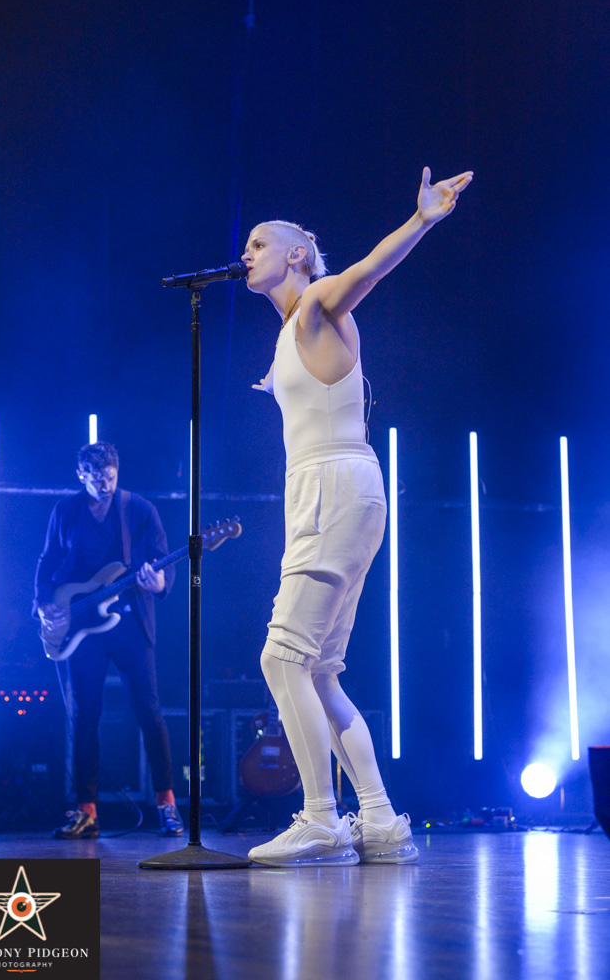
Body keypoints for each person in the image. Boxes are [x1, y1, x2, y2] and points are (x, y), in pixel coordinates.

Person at [242, 166, 473, 866]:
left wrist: (422, 219)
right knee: (317, 672)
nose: (245, 252)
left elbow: (370, 269)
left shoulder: (315, 301)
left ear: (295, 255)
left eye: (258, 243)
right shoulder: (291, 329)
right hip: (339, 488)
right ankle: (377, 819)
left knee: (281, 659)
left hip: (333, 486)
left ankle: (319, 817)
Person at [34, 441, 183, 839]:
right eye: (96, 478)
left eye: (111, 477)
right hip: (81, 626)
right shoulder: (65, 510)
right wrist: (44, 604)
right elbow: (48, 561)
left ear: (117, 472)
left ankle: (167, 805)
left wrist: (160, 582)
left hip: (131, 624)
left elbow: (162, 559)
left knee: (149, 712)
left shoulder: (138, 509)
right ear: (81, 475)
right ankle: (87, 812)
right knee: (85, 717)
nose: (104, 484)